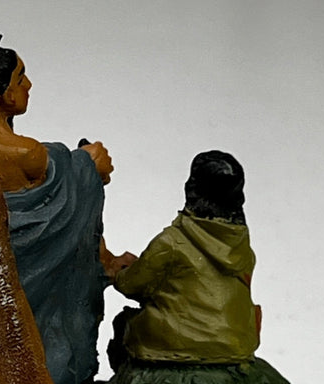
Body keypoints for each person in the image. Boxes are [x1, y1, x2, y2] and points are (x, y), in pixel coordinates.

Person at [0, 19, 118, 384]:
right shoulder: (25, 155)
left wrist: (78, 166)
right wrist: (88, 167)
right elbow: (71, 187)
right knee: (43, 344)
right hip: (28, 281)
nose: (28, 85)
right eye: (20, 77)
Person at [106, 150, 260, 365]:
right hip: (237, 344)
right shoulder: (241, 247)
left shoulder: (171, 242)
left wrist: (121, 270)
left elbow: (132, 285)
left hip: (178, 346)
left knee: (125, 324)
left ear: (192, 189)